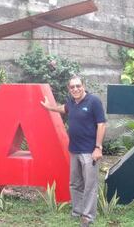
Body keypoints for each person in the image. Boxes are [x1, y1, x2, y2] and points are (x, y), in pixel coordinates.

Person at [41, 75, 106, 226]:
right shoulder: (71, 102)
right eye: (72, 87)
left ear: (83, 85)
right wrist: (48, 107)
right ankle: (77, 211)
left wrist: (98, 148)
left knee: (90, 185)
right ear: (69, 89)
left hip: (90, 151)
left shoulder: (93, 101)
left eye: (78, 86)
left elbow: (101, 124)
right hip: (74, 150)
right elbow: (63, 109)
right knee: (75, 183)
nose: (75, 89)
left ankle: (88, 217)